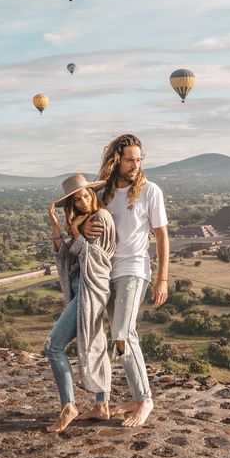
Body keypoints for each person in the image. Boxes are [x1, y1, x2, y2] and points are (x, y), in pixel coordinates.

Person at [83, 133, 169, 427]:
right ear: (116, 160)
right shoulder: (102, 193)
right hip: (106, 270)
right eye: (130, 159)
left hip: (135, 269)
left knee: (122, 332)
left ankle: (145, 400)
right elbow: (84, 218)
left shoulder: (150, 191)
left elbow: (161, 235)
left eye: (139, 159)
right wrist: (84, 228)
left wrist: (162, 278)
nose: (136, 164)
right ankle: (133, 397)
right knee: (117, 334)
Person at [45, 173, 116, 433]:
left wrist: (76, 231)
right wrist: (57, 225)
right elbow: (65, 254)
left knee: (53, 345)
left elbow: (95, 257)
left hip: (92, 288)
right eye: (78, 199)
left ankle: (68, 407)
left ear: (92, 194)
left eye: (86, 194)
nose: (84, 200)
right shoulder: (81, 221)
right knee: (96, 342)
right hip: (79, 288)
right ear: (72, 204)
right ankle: (102, 405)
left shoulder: (101, 218)